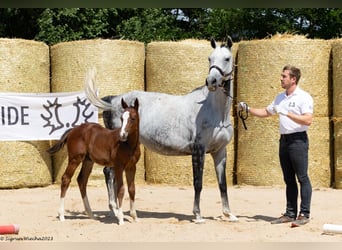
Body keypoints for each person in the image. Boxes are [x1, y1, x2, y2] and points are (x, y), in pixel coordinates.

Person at [238, 65, 313, 226]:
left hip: (298, 140)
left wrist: (287, 113)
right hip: (284, 140)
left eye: (284, 76)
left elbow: (308, 120)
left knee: (302, 177)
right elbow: (266, 112)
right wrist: (248, 109)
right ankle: (290, 213)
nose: (281, 78)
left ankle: (304, 214)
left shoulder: (303, 97)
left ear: (293, 79)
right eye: (282, 76)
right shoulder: (280, 97)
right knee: (288, 179)